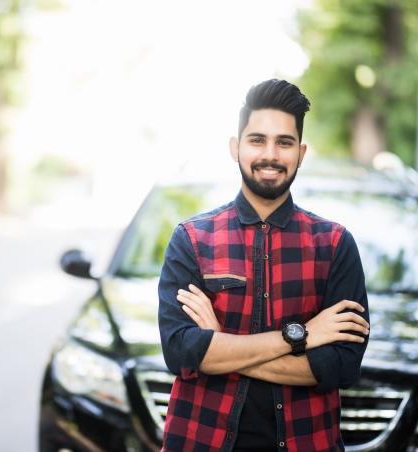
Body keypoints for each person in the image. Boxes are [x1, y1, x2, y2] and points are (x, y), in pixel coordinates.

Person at [158, 79, 370, 452]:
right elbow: (181, 352)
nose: (270, 154)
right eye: (257, 140)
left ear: (301, 153)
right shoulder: (191, 239)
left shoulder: (335, 245)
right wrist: (301, 336)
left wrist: (218, 348)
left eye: (284, 142)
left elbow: (340, 366)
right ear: (235, 147)